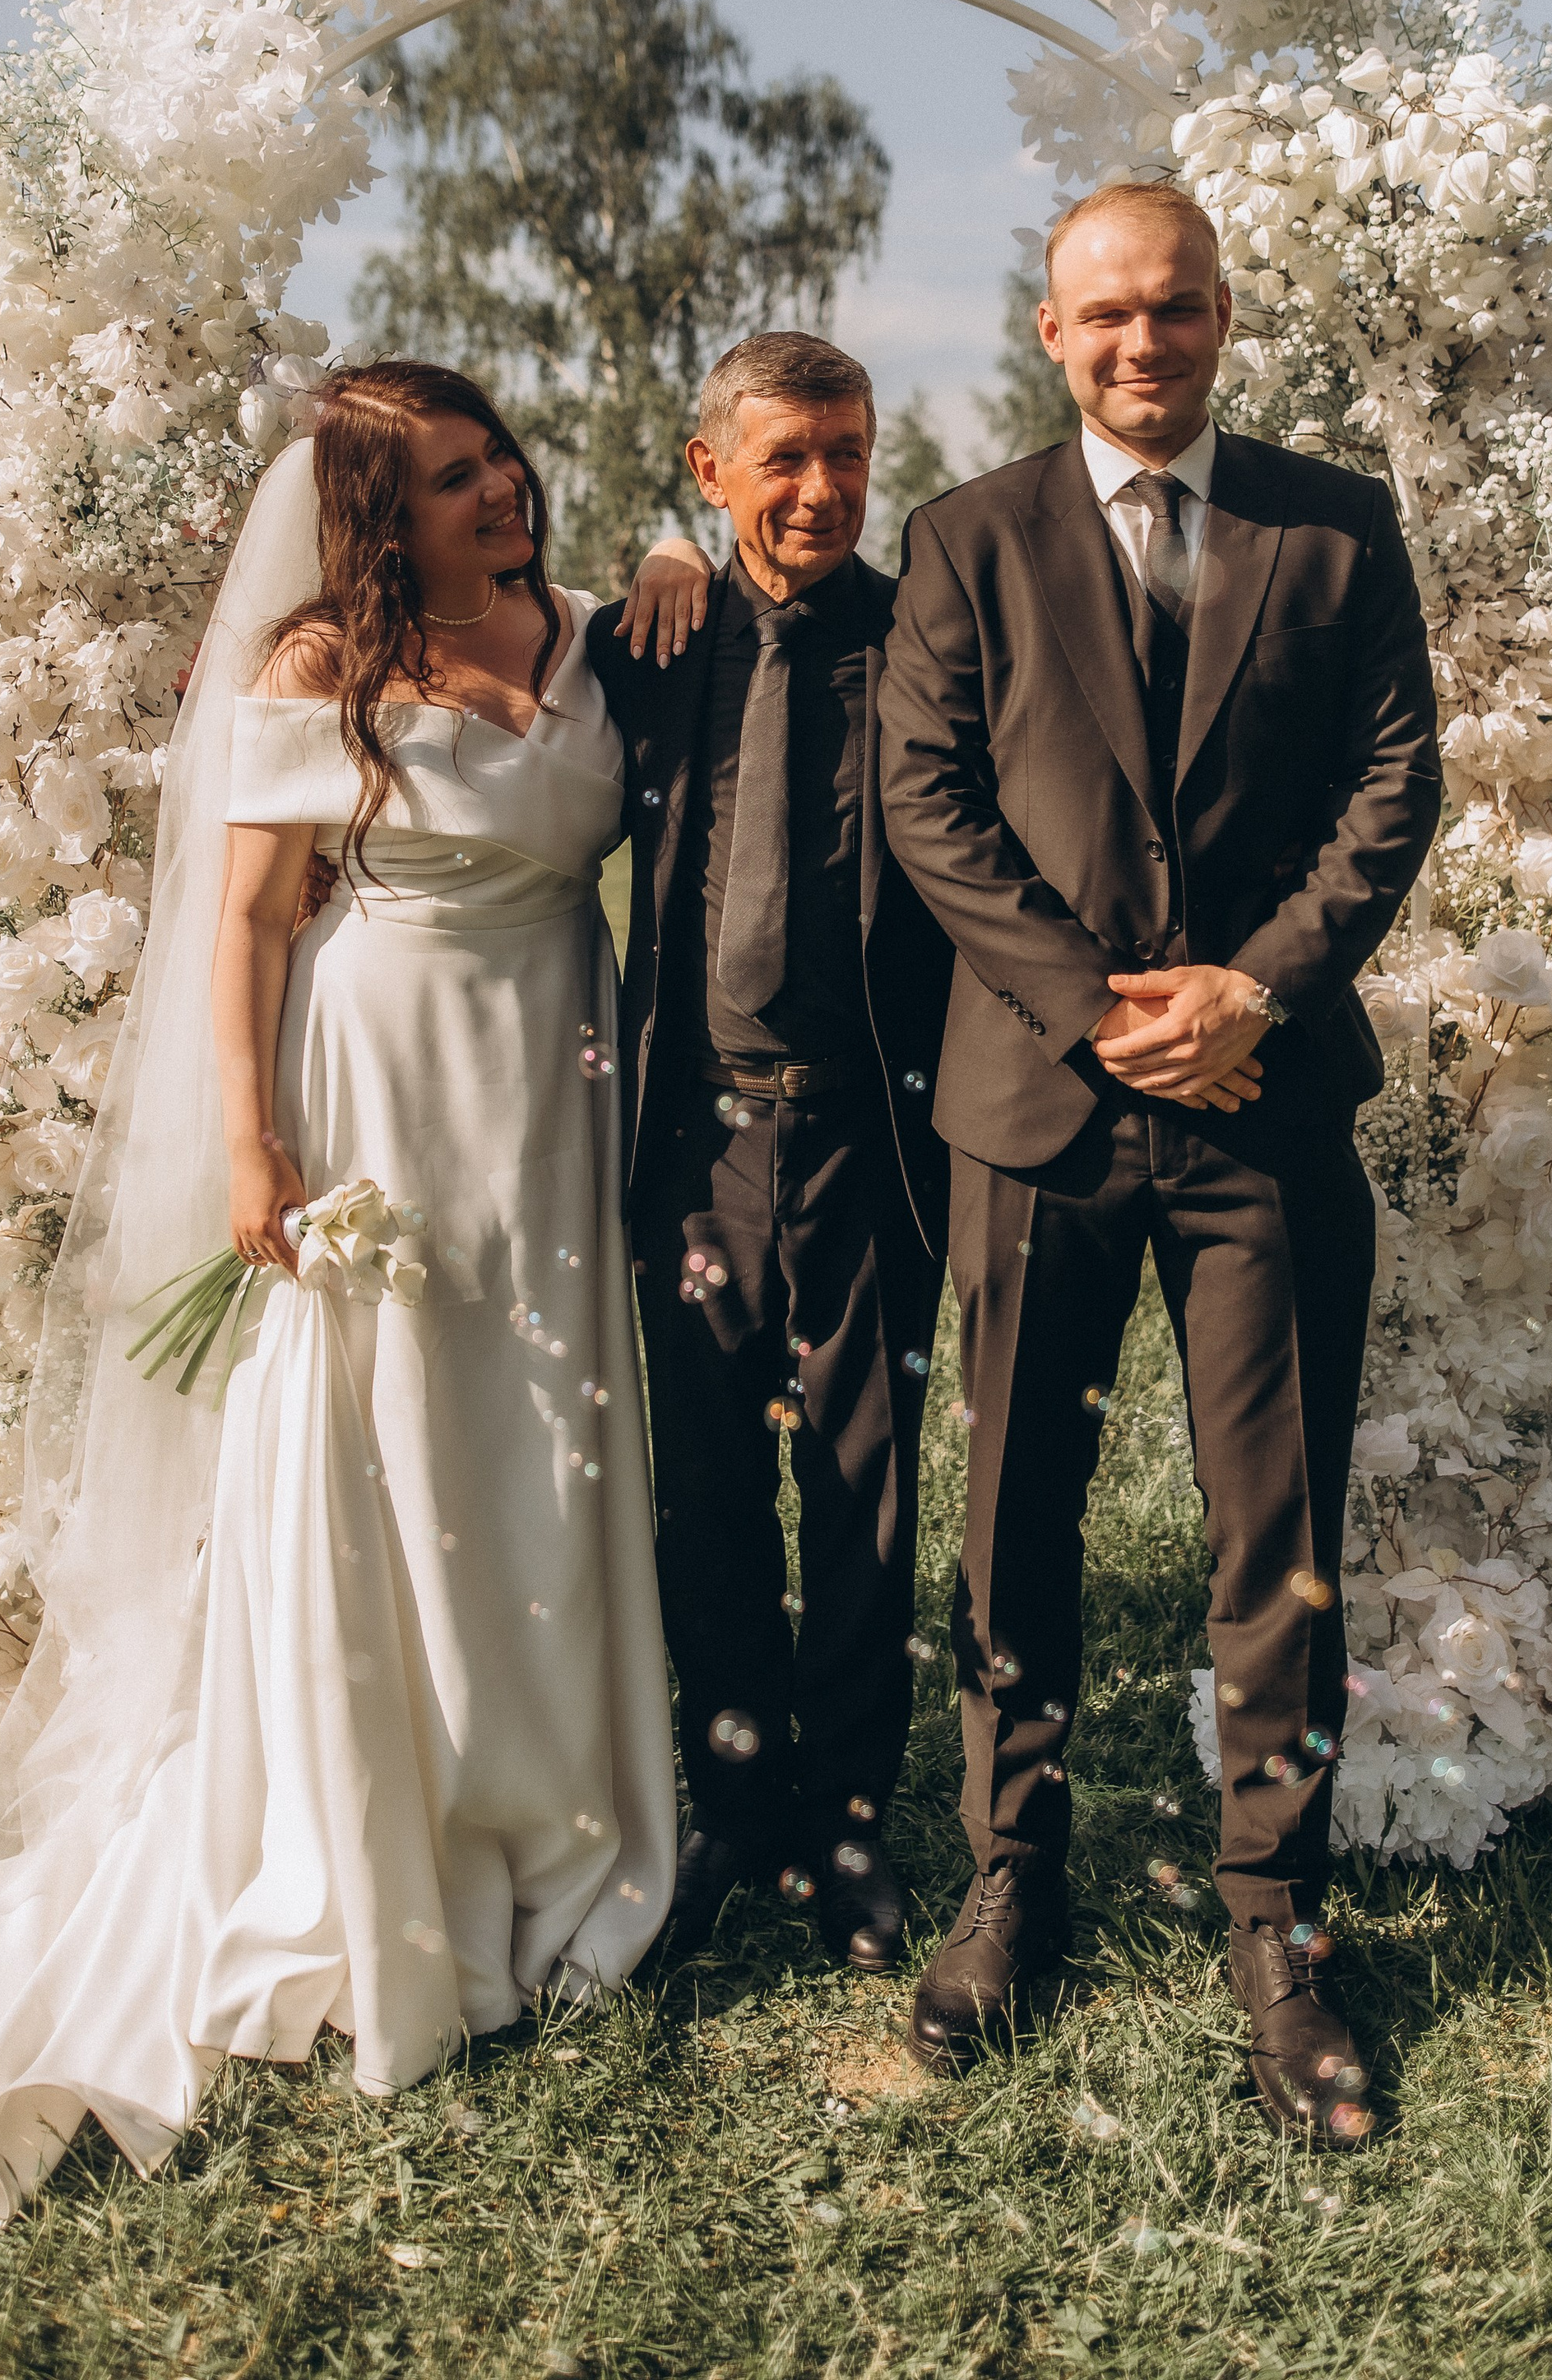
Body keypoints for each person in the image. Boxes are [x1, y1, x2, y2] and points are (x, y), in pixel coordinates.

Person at [0, 362, 705, 2228]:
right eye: (451, 479)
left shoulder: (591, 629)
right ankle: (381, 1842)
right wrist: (259, 1151)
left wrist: (679, 544)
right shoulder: (313, 671)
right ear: (378, 515)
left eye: (499, 457)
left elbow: (720, 615)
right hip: (384, 1083)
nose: (499, 491)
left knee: (546, 1443)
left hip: (557, 1084)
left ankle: (550, 1813)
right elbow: (254, 920)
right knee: (397, 1445)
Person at [878, 181, 1440, 2133]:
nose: (1144, 342)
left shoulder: (1332, 523)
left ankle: (1274, 1918)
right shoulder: (961, 539)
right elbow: (925, 799)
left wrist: (1255, 991)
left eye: (1177, 309)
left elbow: (1394, 780)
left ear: (1220, 314)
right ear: (1049, 330)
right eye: (1105, 314)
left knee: (1268, 1536)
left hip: (1263, 1109)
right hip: (1034, 1109)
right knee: (1015, 1498)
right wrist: (1106, 1007)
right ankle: (1008, 1871)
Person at [588, 334, 954, 1975]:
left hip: (869, 1132)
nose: (821, 489)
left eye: (850, 454)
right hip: (695, 1136)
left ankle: (852, 1820)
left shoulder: (926, 638)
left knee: (865, 1488)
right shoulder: (644, 643)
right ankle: (735, 1801)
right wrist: (651, 562)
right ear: (708, 466)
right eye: (785, 457)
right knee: (711, 1492)